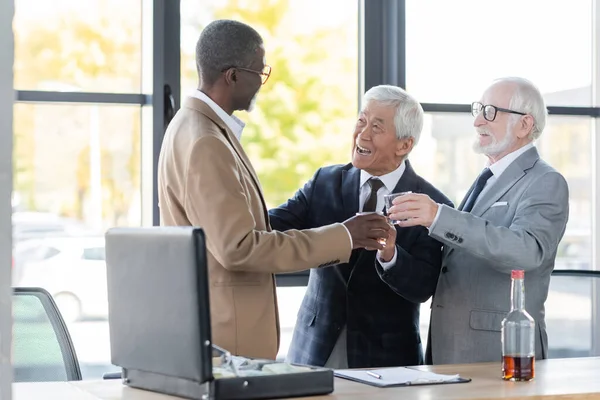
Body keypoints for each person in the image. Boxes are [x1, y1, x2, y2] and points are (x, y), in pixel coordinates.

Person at [157, 20, 390, 360]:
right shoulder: (206, 141)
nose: (261, 83)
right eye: (259, 71)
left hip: (216, 332)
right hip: (226, 342)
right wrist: (346, 236)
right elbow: (239, 247)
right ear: (233, 75)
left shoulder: (190, 126)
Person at [388, 77, 569, 364]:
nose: (477, 122)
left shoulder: (545, 181)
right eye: (479, 110)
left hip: (498, 353)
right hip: (452, 349)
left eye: (491, 112)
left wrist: (439, 216)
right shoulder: (487, 178)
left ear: (524, 125)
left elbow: (526, 252)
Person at [269, 85, 453, 368]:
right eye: (361, 120)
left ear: (404, 145)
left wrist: (391, 255)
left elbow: (423, 287)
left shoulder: (431, 205)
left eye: (377, 127)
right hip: (315, 349)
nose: (363, 134)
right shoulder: (324, 182)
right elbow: (272, 226)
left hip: (386, 358)